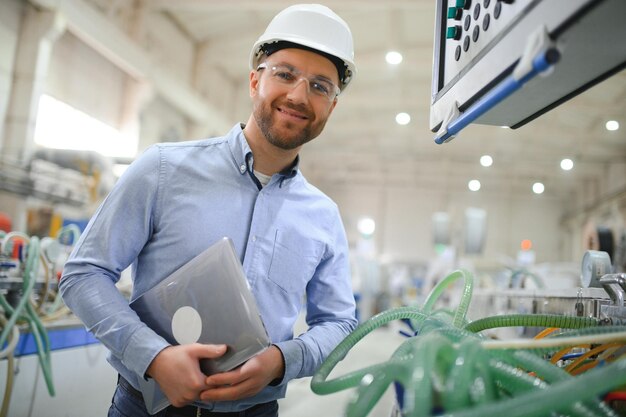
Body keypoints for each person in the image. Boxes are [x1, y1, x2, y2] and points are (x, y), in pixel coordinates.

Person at [59, 4, 358, 417]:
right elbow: (84, 273)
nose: (298, 96)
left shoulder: (323, 216)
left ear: (331, 107)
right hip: (146, 408)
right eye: (285, 74)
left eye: (320, 86)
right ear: (255, 80)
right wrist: (154, 357)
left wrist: (281, 361)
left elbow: (340, 323)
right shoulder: (163, 169)